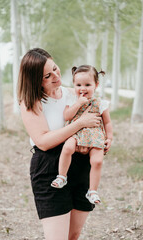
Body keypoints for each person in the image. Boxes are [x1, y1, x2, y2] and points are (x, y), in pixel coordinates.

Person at [17, 48, 102, 240]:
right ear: (35, 80)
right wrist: (79, 124)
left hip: (80, 165)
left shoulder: (74, 93)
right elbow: (43, 141)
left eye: (55, 68)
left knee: (73, 235)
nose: (56, 76)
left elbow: (98, 117)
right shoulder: (31, 102)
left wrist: (104, 140)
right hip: (50, 168)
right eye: (47, 75)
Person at [51, 65, 113, 205]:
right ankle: (62, 176)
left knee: (97, 161)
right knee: (67, 148)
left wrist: (109, 138)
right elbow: (67, 116)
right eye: (78, 85)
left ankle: (92, 190)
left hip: (95, 135)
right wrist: (78, 104)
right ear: (74, 85)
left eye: (87, 85)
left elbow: (107, 123)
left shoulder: (101, 103)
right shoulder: (72, 100)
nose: (82, 88)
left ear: (96, 85)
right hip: (76, 133)